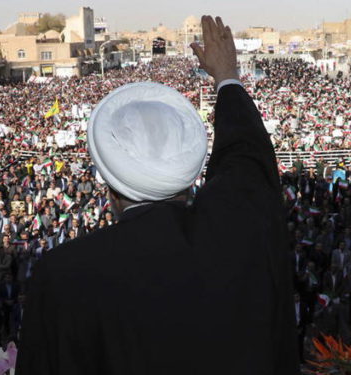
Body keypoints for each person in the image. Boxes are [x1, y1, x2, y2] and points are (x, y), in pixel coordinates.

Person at [17, 15, 299, 375]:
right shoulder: (242, 238)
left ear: (111, 192)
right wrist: (227, 77)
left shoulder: (62, 277)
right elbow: (247, 160)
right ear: (187, 176)